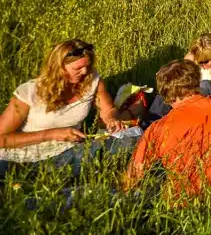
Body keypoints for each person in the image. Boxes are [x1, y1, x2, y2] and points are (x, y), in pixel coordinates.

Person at [0, 39, 130, 177]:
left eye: (88, 66)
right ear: (59, 67)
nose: (85, 71)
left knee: (132, 141)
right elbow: (2, 139)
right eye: (77, 68)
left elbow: (108, 110)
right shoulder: (29, 92)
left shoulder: (92, 81)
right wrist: (51, 134)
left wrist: (111, 120)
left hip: (68, 152)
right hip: (21, 158)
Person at [123, 59, 211, 204]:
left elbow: (134, 173)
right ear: (197, 82)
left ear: (165, 96)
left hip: (181, 201)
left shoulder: (158, 129)